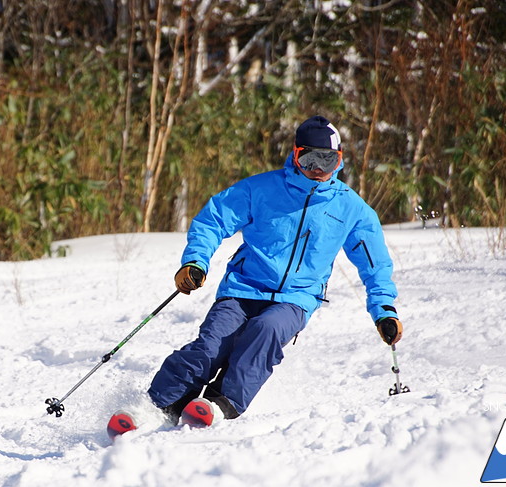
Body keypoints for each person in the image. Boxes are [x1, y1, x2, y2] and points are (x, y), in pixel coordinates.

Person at [148, 115, 403, 426]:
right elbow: (214, 219)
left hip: (296, 299)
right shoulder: (262, 189)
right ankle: (159, 404)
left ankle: (219, 402)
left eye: (327, 160)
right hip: (243, 288)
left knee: (265, 331)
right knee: (211, 345)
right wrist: (196, 261)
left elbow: (374, 264)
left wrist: (384, 310)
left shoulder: (351, 209)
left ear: (340, 161)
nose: (317, 169)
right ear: (294, 155)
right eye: (307, 158)